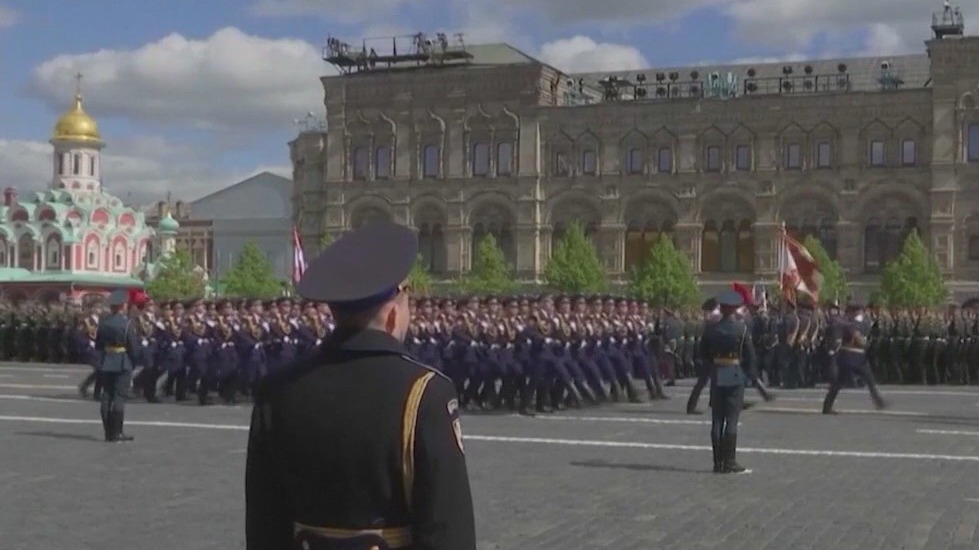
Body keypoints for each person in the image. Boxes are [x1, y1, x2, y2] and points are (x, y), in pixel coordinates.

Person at [245, 222, 476, 550]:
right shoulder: (425, 392)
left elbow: (264, 522)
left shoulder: (279, 388)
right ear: (393, 312)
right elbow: (447, 527)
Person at [699, 290, 755, 474]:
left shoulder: (711, 328)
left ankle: (717, 462)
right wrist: (747, 375)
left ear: (721, 308)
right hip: (735, 374)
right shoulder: (741, 328)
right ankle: (729, 462)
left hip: (717, 374)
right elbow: (750, 356)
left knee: (717, 421)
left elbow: (703, 354)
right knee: (731, 420)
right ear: (734, 309)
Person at [822, 303, 889, 414]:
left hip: (846, 356)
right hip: (856, 356)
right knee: (869, 379)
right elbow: (858, 337)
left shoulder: (846, 323)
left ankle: (827, 406)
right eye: (859, 311)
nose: (861, 314)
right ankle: (879, 402)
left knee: (838, 383)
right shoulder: (853, 324)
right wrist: (866, 344)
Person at [95, 289, 140, 442]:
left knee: (106, 396)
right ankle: (117, 432)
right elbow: (133, 346)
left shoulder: (104, 323)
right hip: (122, 361)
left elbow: (98, 345)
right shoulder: (127, 323)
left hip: (107, 360)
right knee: (119, 396)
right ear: (122, 306)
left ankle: (108, 432)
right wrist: (133, 362)